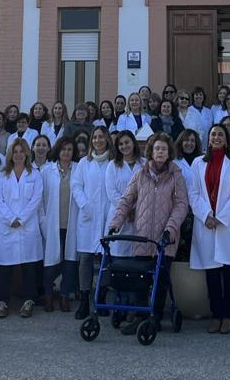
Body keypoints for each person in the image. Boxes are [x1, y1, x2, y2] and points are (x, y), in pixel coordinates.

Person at [108, 132, 190, 333]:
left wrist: (170, 229)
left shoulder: (176, 175)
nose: (160, 152)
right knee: (141, 280)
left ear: (169, 152)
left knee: (161, 279)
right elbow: (127, 200)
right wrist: (115, 223)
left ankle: (156, 318)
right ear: (151, 152)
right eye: (157, 148)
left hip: (165, 238)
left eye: (164, 148)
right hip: (143, 235)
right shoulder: (140, 174)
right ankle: (141, 317)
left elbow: (181, 205)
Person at [187, 124, 230, 333]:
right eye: (213, 134)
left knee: (229, 272)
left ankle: (228, 315)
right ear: (208, 138)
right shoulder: (197, 163)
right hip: (206, 224)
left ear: (226, 139)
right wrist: (206, 216)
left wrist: (221, 218)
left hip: (227, 225)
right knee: (212, 274)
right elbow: (193, 193)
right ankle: (216, 314)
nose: (216, 137)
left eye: (220, 134)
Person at [0, 138, 43, 318]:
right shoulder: (2, 175)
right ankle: (2, 302)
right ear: (10, 154)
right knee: (5, 267)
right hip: (7, 226)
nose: (19, 155)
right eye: (15, 152)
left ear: (27, 154)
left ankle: (29, 301)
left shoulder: (35, 174)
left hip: (27, 225)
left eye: (22, 151)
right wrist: (10, 218)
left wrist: (20, 219)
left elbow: (36, 200)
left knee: (29, 266)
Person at [71, 125, 111, 319]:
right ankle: (84, 300)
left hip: (108, 216)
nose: (97, 140)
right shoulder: (83, 163)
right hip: (88, 215)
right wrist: (84, 205)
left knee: (107, 258)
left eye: (101, 137)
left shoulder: (114, 161)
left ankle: (101, 297)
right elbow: (76, 186)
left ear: (107, 139)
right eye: (94, 138)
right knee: (86, 258)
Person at [41, 136, 79, 313]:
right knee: (50, 264)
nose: (66, 153)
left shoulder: (79, 169)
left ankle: (65, 296)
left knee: (69, 263)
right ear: (58, 150)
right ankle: (48, 296)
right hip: (52, 223)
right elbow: (40, 200)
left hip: (71, 223)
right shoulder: (47, 170)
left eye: (70, 149)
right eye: (63, 149)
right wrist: (43, 221)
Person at [104, 131, 144, 258]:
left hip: (139, 214)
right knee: (118, 255)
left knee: (137, 256)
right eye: (120, 144)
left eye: (127, 142)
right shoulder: (112, 165)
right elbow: (112, 193)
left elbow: (148, 190)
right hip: (119, 215)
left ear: (133, 142)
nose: (124, 146)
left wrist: (136, 209)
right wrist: (127, 210)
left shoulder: (145, 163)